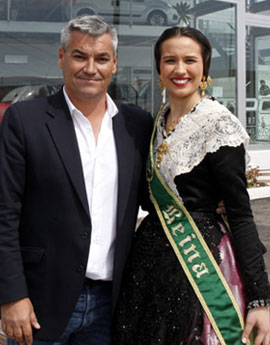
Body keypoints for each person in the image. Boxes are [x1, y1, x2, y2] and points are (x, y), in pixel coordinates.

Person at [0, 15, 153, 345]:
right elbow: (4, 212)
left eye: (101, 58)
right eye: (80, 56)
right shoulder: (24, 120)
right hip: (39, 302)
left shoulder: (137, 125)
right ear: (61, 58)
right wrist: (11, 296)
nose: (90, 68)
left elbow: (152, 199)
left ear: (114, 64)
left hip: (110, 304)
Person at [112, 27, 270, 345]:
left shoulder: (218, 125)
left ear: (204, 68)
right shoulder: (156, 122)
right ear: (159, 69)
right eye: (170, 60)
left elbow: (240, 214)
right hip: (150, 262)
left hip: (201, 263)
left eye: (189, 60)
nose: (180, 69)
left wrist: (259, 299)